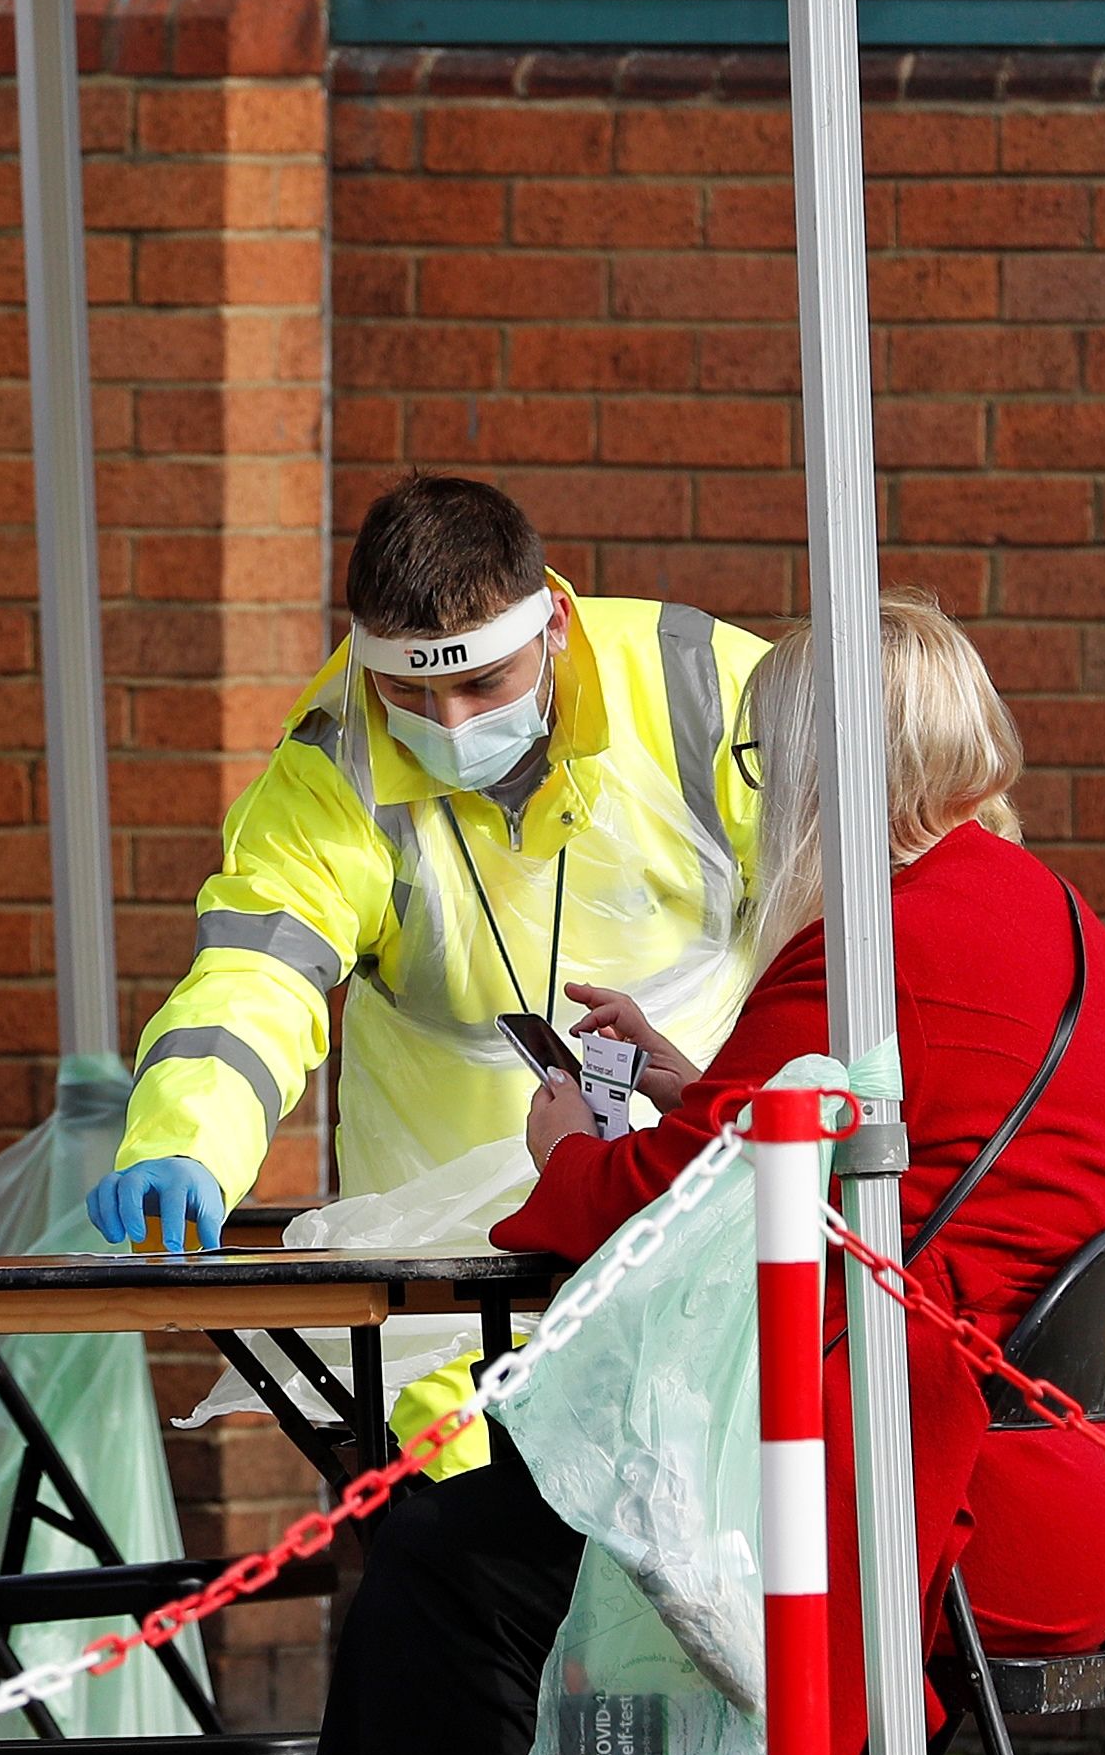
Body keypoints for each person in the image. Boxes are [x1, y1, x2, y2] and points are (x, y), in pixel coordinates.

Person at [209, 591, 1105, 1755]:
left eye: (767, 759)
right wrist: (688, 1083)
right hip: (1035, 1480)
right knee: (558, 1561)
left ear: (825, 768)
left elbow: (650, 1210)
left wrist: (564, 1145)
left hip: (890, 1486)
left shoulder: (866, 949)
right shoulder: (1051, 920)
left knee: (451, 1565)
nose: (758, 792)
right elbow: (812, 1155)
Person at [91, 473, 769, 1264]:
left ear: (555, 623)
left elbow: (843, 914)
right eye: (407, 690)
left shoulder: (701, 687)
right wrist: (186, 1141)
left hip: (697, 1197)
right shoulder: (332, 766)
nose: (450, 723)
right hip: (436, 1240)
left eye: (483, 682)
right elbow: (257, 974)